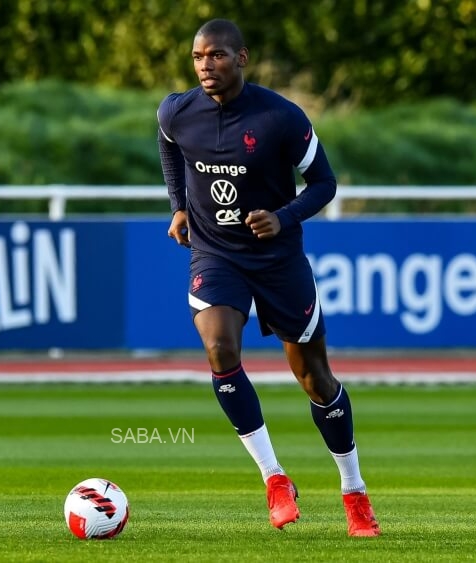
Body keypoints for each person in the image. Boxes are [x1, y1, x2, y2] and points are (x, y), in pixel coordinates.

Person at [156, 18, 380, 537]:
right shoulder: (178, 110)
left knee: (316, 381)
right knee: (219, 350)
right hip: (216, 255)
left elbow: (324, 183)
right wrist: (179, 207)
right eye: (197, 57)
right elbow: (168, 143)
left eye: (216, 55)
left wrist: (283, 216)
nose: (205, 66)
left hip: (278, 260)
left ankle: (354, 491)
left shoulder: (280, 117)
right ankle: (275, 478)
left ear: (243, 58)